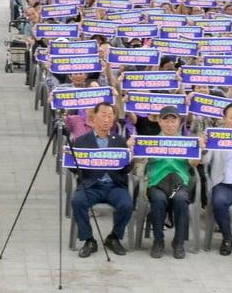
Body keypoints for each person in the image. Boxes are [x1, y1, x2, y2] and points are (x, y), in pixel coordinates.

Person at [69, 102, 133, 258]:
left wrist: (130, 157)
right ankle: (89, 240)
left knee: (127, 204)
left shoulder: (120, 141)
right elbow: (75, 170)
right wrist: (70, 158)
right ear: (94, 117)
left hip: (114, 185)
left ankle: (114, 237)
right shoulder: (81, 141)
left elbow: (125, 170)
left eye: (110, 116)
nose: (106, 119)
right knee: (78, 201)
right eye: (103, 115)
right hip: (92, 185)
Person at [137, 106, 194, 259]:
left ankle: (179, 242)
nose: (170, 124)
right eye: (166, 120)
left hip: (179, 183)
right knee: (158, 200)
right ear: (160, 122)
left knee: (181, 199)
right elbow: (139, 163)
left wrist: (199, 150)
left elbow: (194, 164)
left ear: (179, 122)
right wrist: (132, 149)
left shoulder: (188, 142)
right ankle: (158, 241)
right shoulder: (151, 141)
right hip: (156, 182)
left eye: (173, 120)